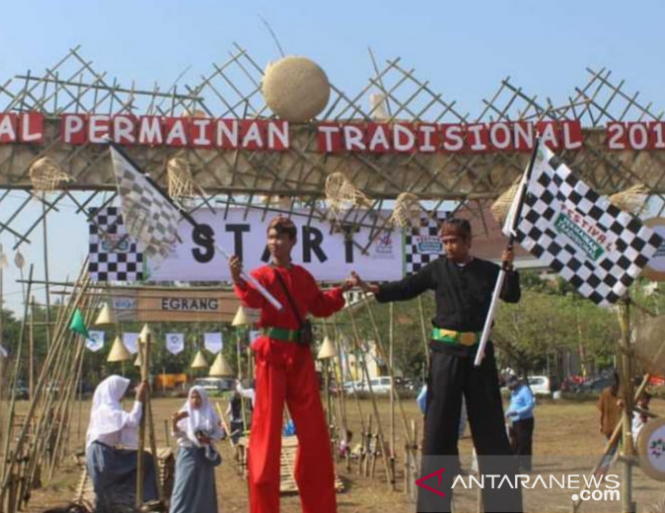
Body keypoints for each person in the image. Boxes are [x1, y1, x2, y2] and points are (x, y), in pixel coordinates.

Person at [352, 217, 522, 513]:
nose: (447, 247)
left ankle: (505, 506)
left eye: (453, 241)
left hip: (479, 355)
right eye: (444, 242)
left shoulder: (487, 271)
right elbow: (407, 287)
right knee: (437, 435)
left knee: (492, 433)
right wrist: (375, 290)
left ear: (468, 242)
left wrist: (509, 270)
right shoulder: (436, 270)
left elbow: (511, 295)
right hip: (445, 356)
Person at [229, 215, 355, 513]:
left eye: (280, 238)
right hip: (271, 355)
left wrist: (342, 291)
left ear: (292, 241)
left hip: (300, 356)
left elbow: (321, 306)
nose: (274, 243)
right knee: (265, 435)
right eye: (271, 237)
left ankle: (320, 507)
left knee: (314, 435)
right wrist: (236, 278)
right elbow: (250, 300)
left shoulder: (302, 277)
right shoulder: (261, 276)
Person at [84, 375, 158, 512]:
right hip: (102, 455)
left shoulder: (109, 409)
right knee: (144, 460)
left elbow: (125, 428)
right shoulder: (105, 410)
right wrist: (139, 400)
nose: (122, 396)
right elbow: (132, 421)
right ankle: (146, 498)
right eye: (121, 392)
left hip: (105, 453)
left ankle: (131, 501)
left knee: (106, 492)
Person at [170, 386, 225, 513]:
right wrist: (175, 422)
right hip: (188, 454)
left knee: (204, 489)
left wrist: (209, 439)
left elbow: (219, 433)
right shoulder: (184, 412)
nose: (195, 400)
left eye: (198, 397)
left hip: (204, 456)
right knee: (183, 488)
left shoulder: (210, 414)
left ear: (203, 398)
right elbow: (177, 434)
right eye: (192, 397)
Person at [505, 375, 535, 472]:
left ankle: (525, 467)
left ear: (515, 382)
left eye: (510, 384)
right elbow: (513, 405)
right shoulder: (514, 393)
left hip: (525, 421)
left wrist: (517, 412)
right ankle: (516, 465)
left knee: (524, 443)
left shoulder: (524, 390)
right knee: (515, 443)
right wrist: (508, 412)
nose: (509, 386)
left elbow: (530, 405)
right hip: (515, 421)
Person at [597, 371, 622, 441]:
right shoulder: (605, 394)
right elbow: (601, 412)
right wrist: (601, 424)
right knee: (611, 450)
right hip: (610, 427)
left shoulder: (621, 395)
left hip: (619, 427)